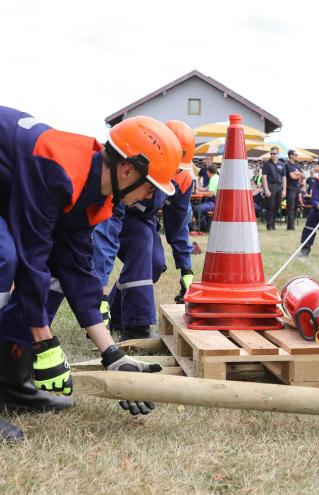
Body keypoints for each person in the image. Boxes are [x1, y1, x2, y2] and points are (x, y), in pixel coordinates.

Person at [0, 106, 182, 440]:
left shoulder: (94, 195)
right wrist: (45, 343)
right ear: (128, 169)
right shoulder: (58, 168)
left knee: (53, 273)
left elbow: (78, 274)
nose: (150, 197)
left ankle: (12, 386)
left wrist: (112, 355)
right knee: (4, 259)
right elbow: (30, 259)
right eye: (151, 187)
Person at [93, 120, 195, 342]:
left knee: (155, 265)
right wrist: (98, 286)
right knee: (142, 242)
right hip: (117, 216)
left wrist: (186, 269)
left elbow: (178, 224)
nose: (175, 174)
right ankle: (137, 326)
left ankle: (117, 315)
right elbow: (107, 232)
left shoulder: (185, 179)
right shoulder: (136, 171)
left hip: (143, 221)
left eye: (179, 169)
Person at [262, 147, 286, 230]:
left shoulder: (282, 164)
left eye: (274, 153)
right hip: (271, 186)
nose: (272, 155)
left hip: (279, 186)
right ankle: (269, 225)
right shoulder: (267, 164)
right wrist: (266, 189)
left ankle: (273, 224)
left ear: (278, 154)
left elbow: (284, 178)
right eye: (271, 153)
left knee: (277, 206)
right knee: (270, 206)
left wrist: (284, 190)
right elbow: (264, 177)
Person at [195, 163, 219, 231]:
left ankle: (203, 228)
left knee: (198, 209)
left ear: (208, 172)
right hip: (213, 202)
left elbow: (210, 194)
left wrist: (198, 192)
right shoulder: (215, 177)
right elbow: (205, 189)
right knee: (198, 208)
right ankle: (203, 226)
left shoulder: (214, 179)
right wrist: (196, 188)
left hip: (214, 203)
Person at [285, 150, 305, 230]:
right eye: (295, 154)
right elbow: (292, 176)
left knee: (296, 206)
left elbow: (303, 176)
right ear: (290, 155)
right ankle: (290, 226)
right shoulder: (287, 165)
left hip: (297, 188)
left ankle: (292, 224)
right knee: (291, 207)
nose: (296, 156)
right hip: (290, 188)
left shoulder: (297, 166)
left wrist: (298, 174)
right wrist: (298, 175)